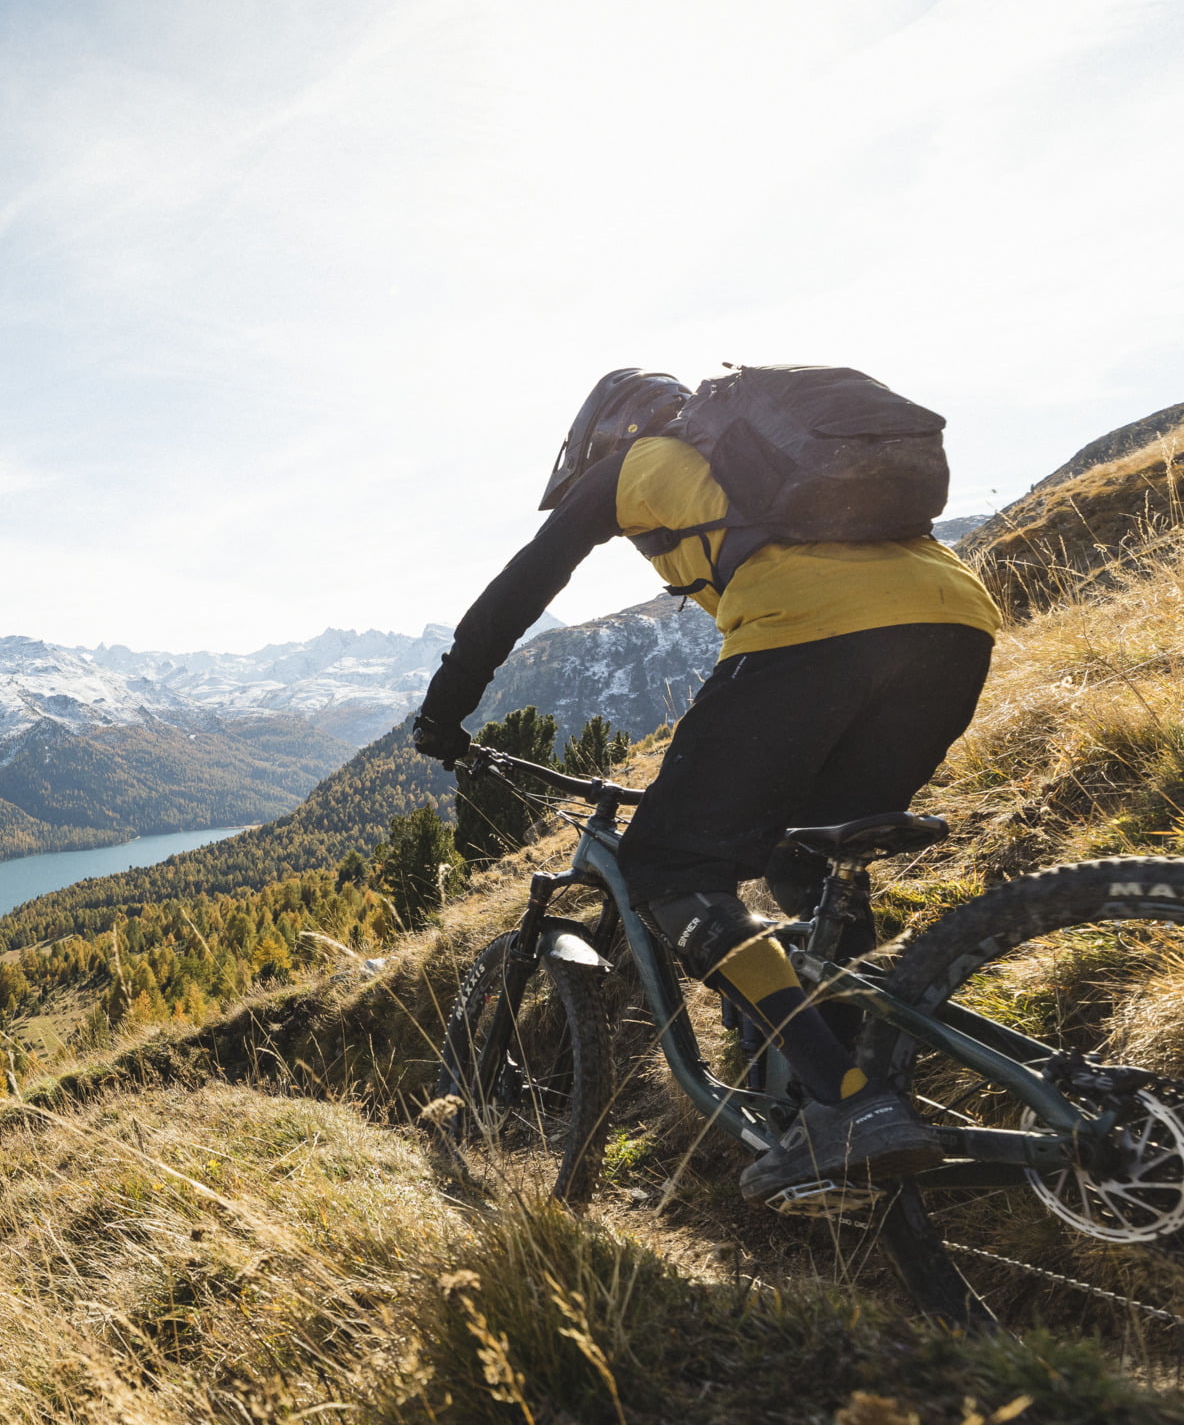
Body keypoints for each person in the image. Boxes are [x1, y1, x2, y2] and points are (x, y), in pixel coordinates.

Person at [409, 367, 1001, 1201]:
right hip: (955, 628)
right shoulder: (762, 453)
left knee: (670, 871)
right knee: (809, 864)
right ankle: (854, 1094)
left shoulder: (639, 462)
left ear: (605, 435)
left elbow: (524, 586)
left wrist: (445, 708)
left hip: (812, 631)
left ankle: (843, 1102)